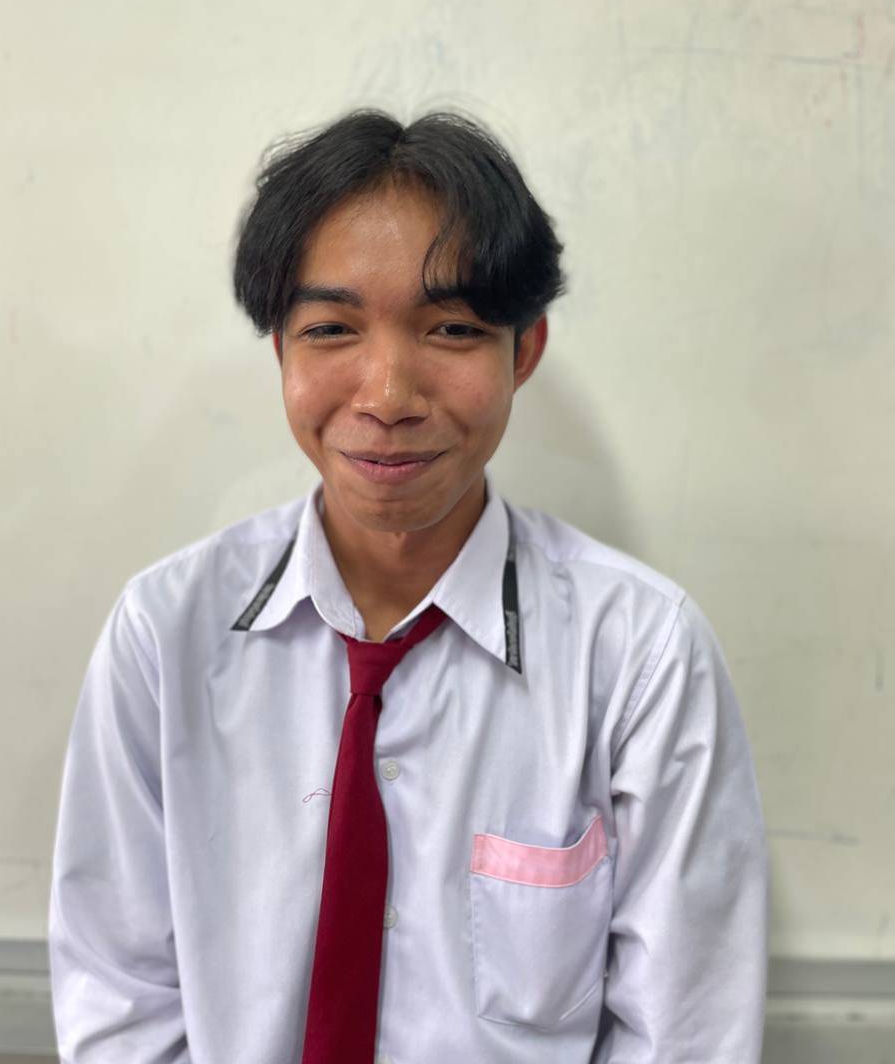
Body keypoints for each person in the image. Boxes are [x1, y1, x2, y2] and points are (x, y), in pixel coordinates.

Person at [48, 108, 769, 1063]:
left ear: (525, 350)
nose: (388, 395)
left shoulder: (640, 655)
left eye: (452, 328)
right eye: (332, 328)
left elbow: (685, 1035)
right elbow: (120, 1003)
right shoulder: (165, 636)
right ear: (281, 350)